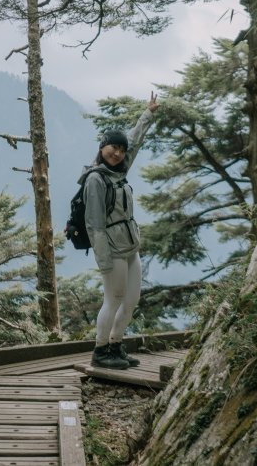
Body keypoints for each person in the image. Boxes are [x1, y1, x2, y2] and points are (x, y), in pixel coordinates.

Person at [79, 92, 160, 370]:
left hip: (130, 247)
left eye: (121, 150)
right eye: (113, 147)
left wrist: (147, 114)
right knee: (112, 300)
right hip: (112, 250)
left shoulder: (119, 172)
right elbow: (94, 223)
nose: (118, 153)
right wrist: (103, 260)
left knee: (131, 299)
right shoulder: (95, 179)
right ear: (103, 147)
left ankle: (116, 345)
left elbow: (134, 143)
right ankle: (100, 351)